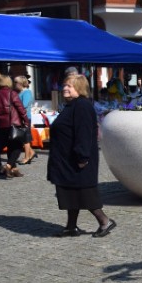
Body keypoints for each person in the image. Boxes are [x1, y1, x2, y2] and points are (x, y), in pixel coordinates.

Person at [46, 73, 116, 238]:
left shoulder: (82, 106)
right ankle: (71, 227)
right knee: (70, 192)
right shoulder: (71, 106)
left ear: (79, 88)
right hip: (66, 160)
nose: (65, 88)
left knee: (84, 192)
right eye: (65, 85)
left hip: (78, 160)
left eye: (69, 86)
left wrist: (82, 157)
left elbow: (84, 133)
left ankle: (105, 221)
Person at [0, 74, 30, 178]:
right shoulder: (12, 93)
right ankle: (8, 166)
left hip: (1, 124)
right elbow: (21, 108)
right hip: (13, 123)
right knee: (17, 147)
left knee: (10, 147)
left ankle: (14, 169)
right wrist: (26, 120)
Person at [14, 76, 36, 165]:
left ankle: (27, 157)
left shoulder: (26, 93)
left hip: (25, 118)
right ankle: (31, 152)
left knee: (25, 139)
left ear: (21, 83)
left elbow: (24, 105)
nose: (14, 84)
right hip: (21, 117)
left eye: (16, 82)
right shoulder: (21, 92)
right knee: (21, 138)